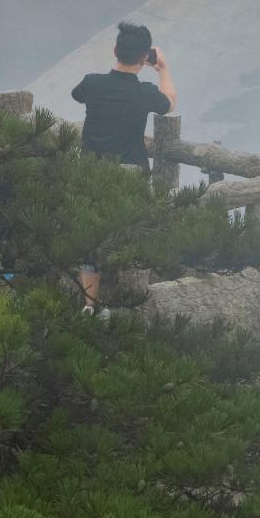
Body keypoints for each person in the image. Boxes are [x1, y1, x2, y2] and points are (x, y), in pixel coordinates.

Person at [71, 21, 177, 308]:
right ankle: (127, 303)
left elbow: (76, 94)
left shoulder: (91, 83)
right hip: (132, 178)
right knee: (129, 237)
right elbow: (169, 102)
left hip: (91, 175)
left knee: (91, 242)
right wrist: (163, 68)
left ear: (115, 50)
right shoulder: (144, 93)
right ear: (145, 58)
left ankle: (89, 304)